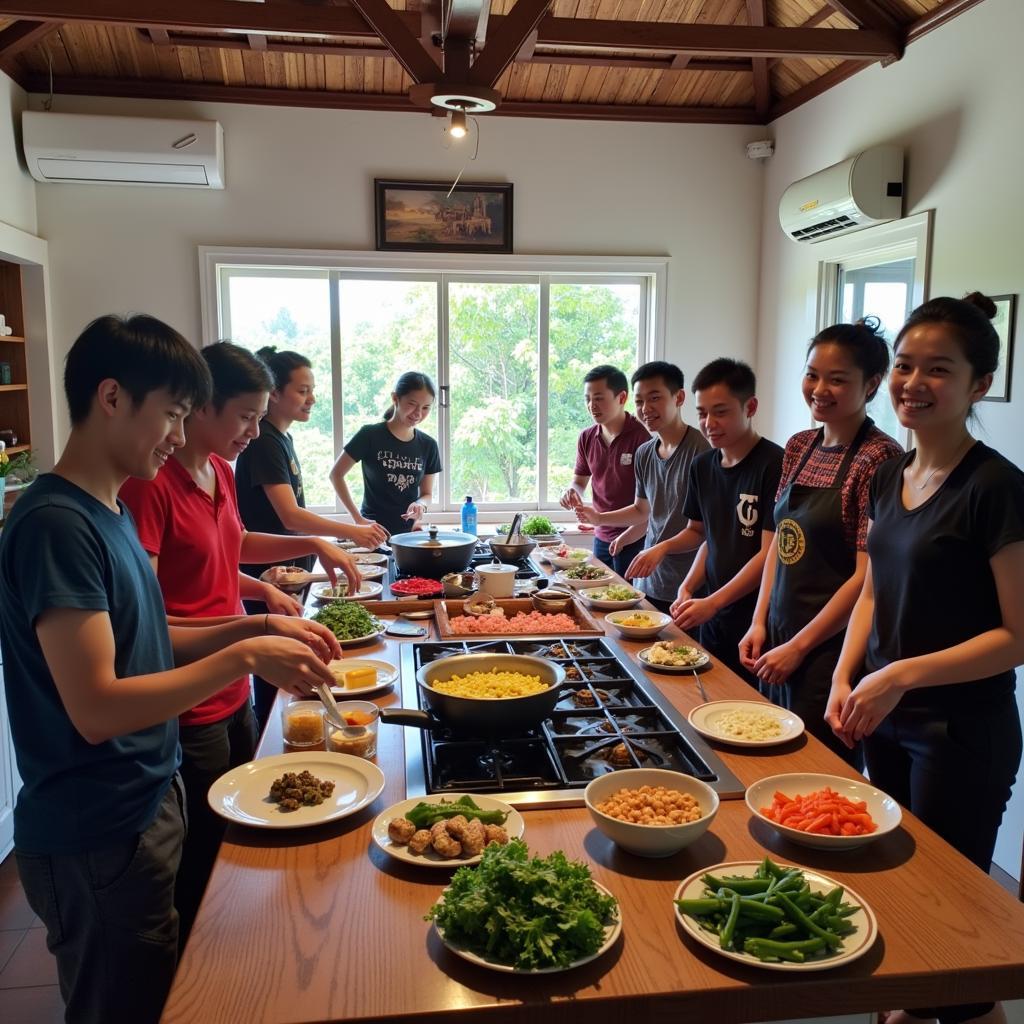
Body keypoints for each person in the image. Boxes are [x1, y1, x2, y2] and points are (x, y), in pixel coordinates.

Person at [0, 315, 340, 1024]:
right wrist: (244, 654)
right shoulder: (55, 526)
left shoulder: (108, 512)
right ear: (114, 397)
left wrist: (259, 622)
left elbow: (151, 636)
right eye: (174, 415)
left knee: (165, 986)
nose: (182, 438)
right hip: (98, 827)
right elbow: (95, 708)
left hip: (146, 802)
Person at [119, 341, 361, 943]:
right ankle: (213, 969)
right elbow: (150, 615)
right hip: (193, 692)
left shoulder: (220, 471)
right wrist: (257, 619)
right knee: (206, 855)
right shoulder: (152, 485)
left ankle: (242, 946)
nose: (255, 430)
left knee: (244, 828)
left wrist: (306, 551)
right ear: (200, 408)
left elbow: (231, 544)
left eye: (260, 416)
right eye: (246, 416)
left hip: (233, 685)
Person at [826, 295, 1024, 1024]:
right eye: (905, 365)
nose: (914, 381)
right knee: (900, 882)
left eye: (938, 369)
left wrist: (898, 675)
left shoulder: (996, 488)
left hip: (960, 731)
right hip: (885, 716)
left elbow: (1018, 634)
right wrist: (848, 675)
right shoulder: (890, 474)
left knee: (958, 928)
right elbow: (874, 593)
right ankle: (909, 1005)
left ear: (979, 384)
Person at [739, 319, 902, 765]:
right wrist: (759, 622)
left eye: (838, 379)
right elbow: (778, 544)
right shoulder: (799, 446)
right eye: (812, 374)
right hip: (778, 636)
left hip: (830, 652)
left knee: (815, 775)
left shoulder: (879, 458)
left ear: (870, 385)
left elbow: (865, 576)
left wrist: (799, 647)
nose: (819, 388)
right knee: (765, 760)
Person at [235, 346, 383, 725]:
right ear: (274, 393)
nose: (312, 399)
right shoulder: (266, 440)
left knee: (287, 678)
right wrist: (350, 530)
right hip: (269, 577)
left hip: (287, 577)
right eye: (302, 390)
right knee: (277, 687)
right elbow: (289, 515)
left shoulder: (280, 438)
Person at [623, 358, 782, 682]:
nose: (709, 423)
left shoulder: (774, 463)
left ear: (750, 406)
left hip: (756, 616)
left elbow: (768, 554)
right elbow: (704, 533)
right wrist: (688, 586)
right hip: (711, 609)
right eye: (703, 413)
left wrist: (712, 601)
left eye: (720, 412)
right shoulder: (704, 465)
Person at [575, 361, 709, 612]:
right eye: (639, 402)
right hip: (647, 582)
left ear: (679, 398)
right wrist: (600, 518)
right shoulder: (645, 453)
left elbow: (702, 531)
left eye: (654, 398)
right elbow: (642, 511)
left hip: (688, 587)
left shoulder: (701, 453)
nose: (645, 409)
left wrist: (661, 548)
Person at [558, 364, 651, 575]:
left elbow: (648, 507)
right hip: (601, 536)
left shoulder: (641, 438)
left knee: (628, 602)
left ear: (622, 397)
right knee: (599, 598)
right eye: (587, 399)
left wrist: (610, 524)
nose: (592, 405)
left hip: (636, 537)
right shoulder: (587, 437)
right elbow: (580, 481)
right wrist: (572, 492)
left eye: (599, 398)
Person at [330, 371, 442, 538]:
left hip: (409, 536)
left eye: (426, 407)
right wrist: (357, 519)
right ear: (395, 398)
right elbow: (336, 475)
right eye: (412, 404)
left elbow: (427, 493)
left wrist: (420, 505)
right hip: (373, 533)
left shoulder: (428, 445)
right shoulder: (370, 435)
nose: (418, 413)